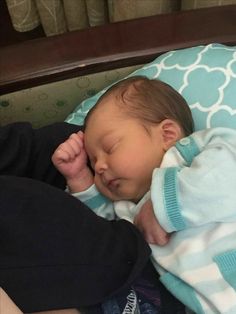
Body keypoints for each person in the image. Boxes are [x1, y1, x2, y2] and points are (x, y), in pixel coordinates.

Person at [52, 76, 236, 314]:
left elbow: (226, 174)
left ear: (167, 134)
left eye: (109, 148)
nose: (99, 167)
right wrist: (79, 179)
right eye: (93, 160)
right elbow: (102, 236)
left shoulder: (194, 153)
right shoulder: (128, 208)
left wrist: (165, 204)